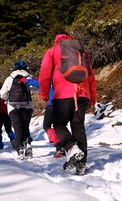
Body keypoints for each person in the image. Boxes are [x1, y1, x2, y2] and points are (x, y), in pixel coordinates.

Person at [38, 32, 97, 175]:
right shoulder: (81, 51)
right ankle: (81, 164)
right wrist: (92, 98)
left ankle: (71, 147)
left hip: (62, 95)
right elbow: (91, 77)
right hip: (82, 94)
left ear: (56, 40)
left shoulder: (52, 51)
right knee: (78, 127)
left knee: (59, 124)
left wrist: (45, 95)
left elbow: (44, 75)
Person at [0, 60, 38, 158]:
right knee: (25, 126)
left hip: (13, 107)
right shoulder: (28, 77)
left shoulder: (10, 78)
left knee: (18, 128)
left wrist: (7, 98)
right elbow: (36, 88)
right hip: (27, 106)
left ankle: (20, 148)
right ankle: (28, 144)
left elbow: (2, 93)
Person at [0, 81, 15, 149]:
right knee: (9, 129)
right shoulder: (7, 93)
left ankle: (0, 144)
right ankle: (13, 140)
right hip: (7, 113)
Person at [43, 83, 63, 158]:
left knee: (46, 126)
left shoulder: (50, 78)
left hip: (52, 104)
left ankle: (58, 144)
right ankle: (65, 145)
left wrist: (25, 80)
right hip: (63, 104)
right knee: (59, 125)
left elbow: (39, 83)